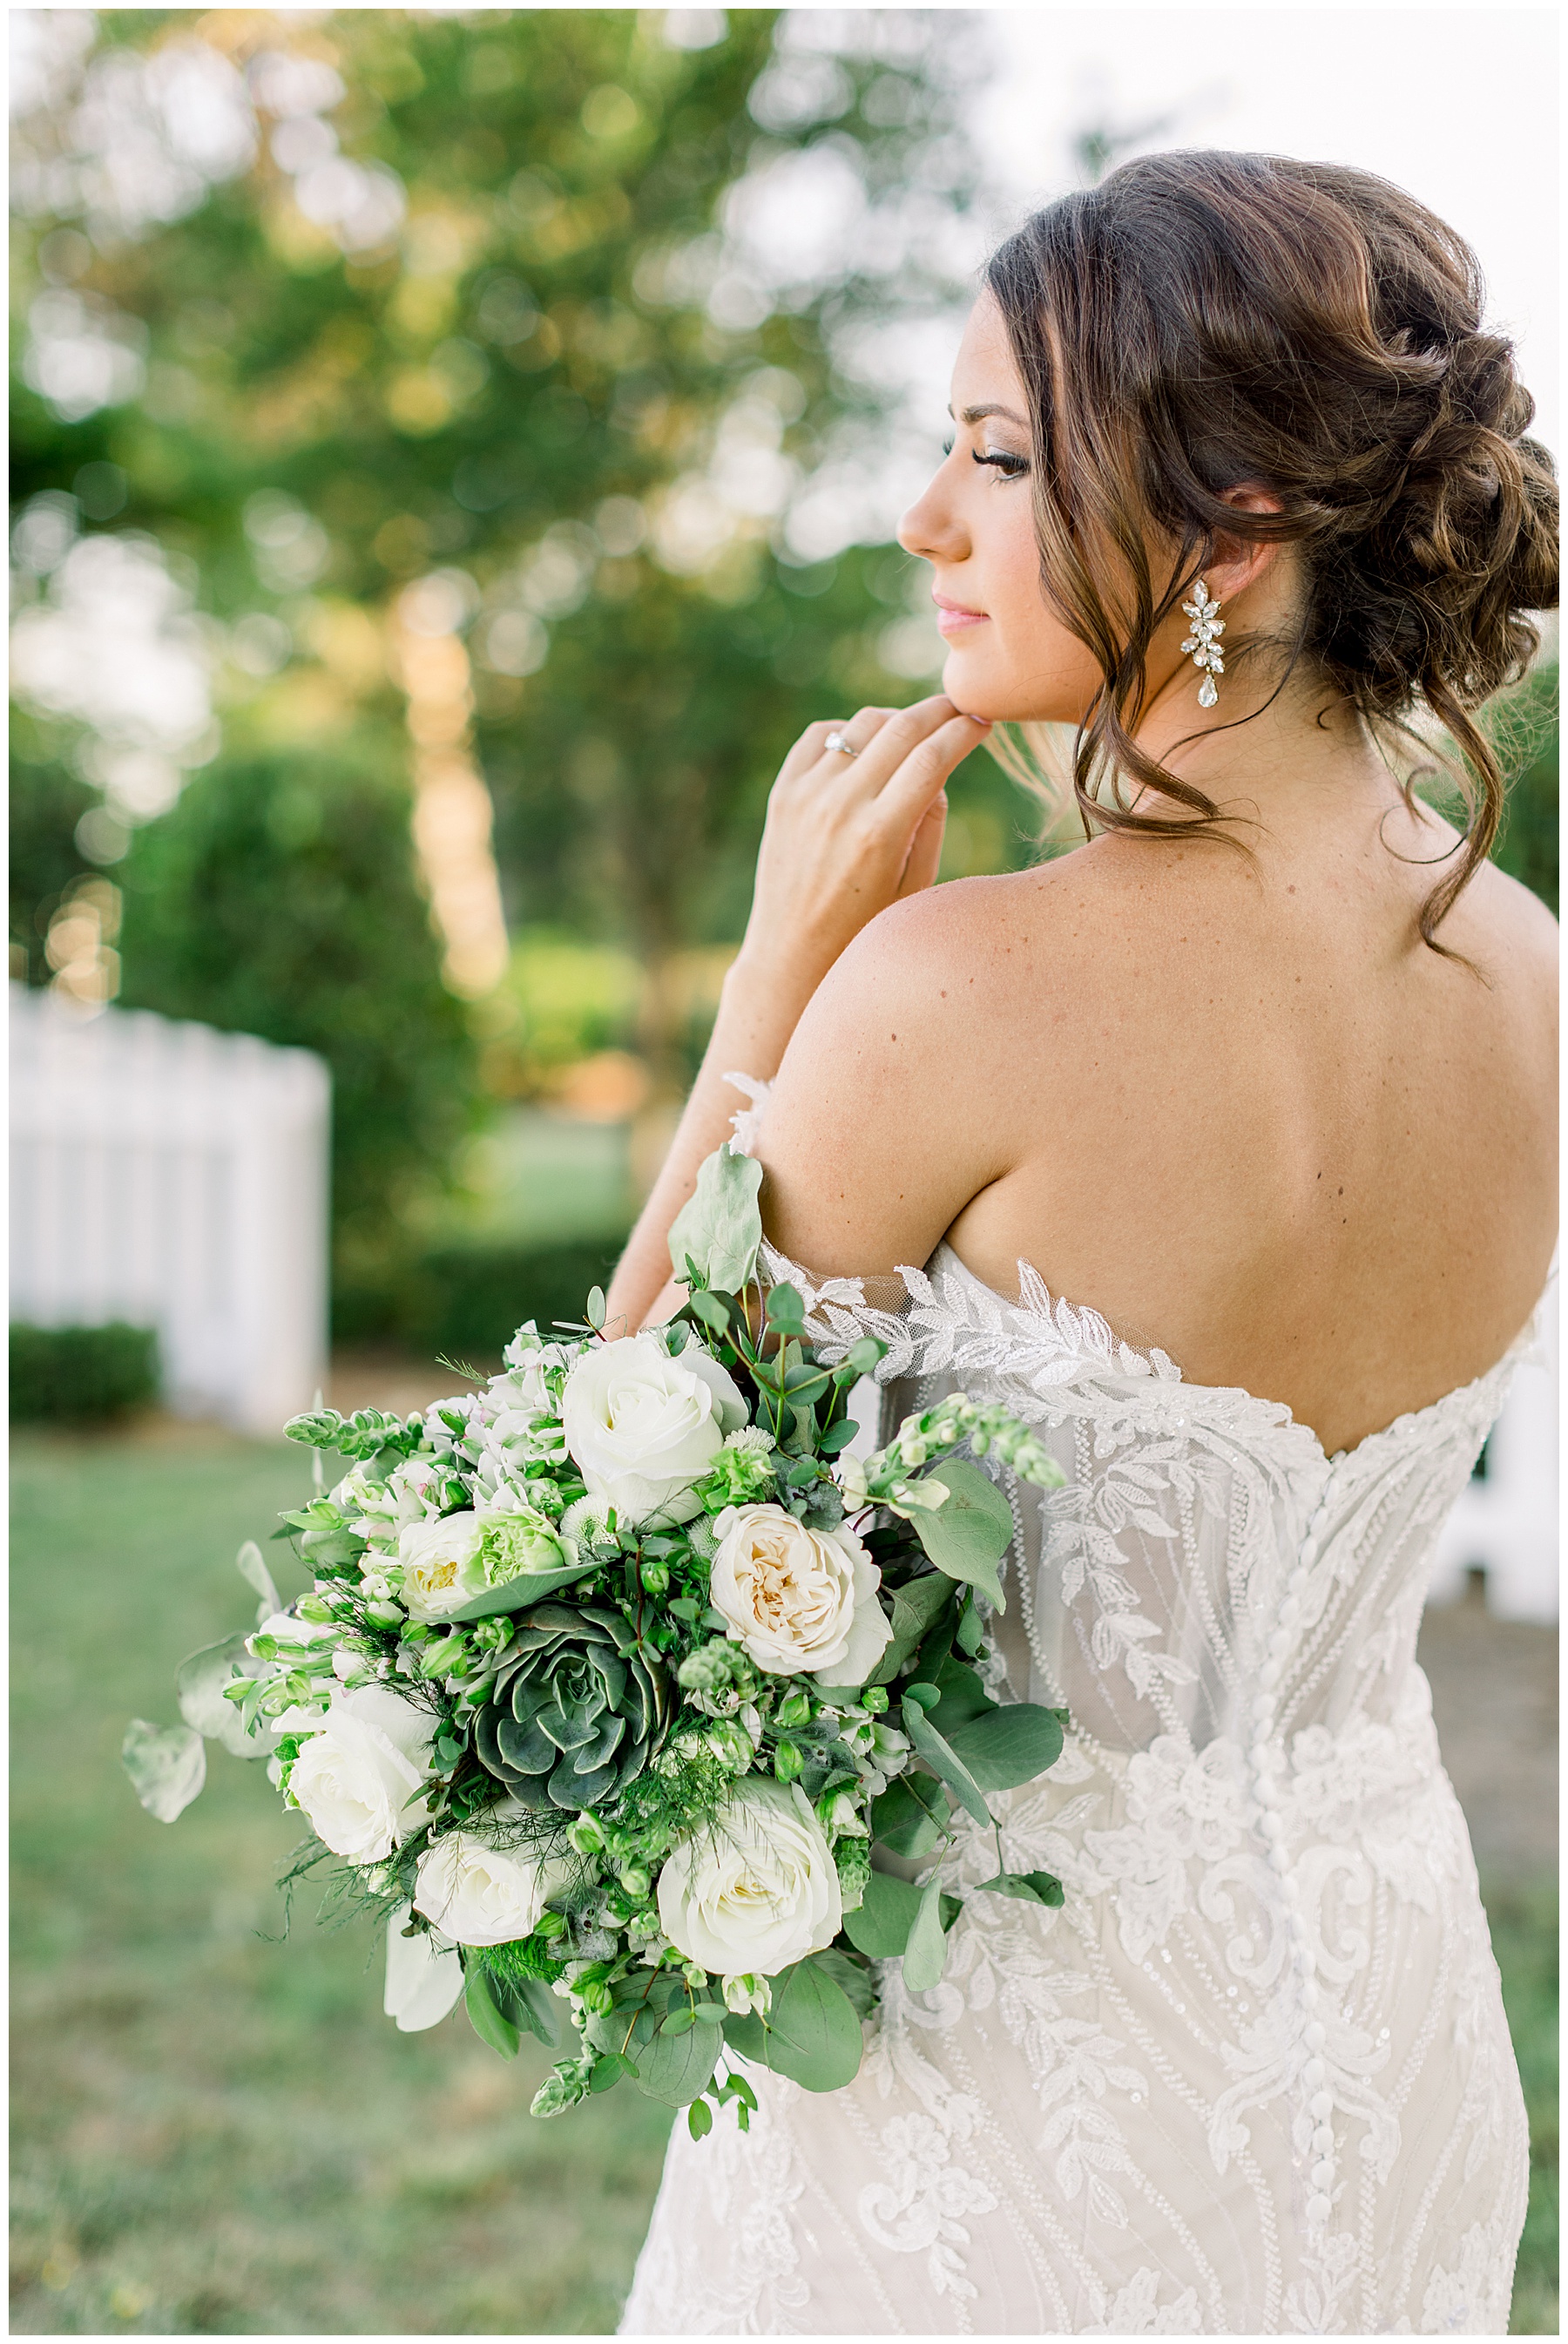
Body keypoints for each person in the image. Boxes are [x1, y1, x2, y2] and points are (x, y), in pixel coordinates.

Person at [612, 151, 1558, 2335]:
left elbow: (616, 1497)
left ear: (1231, 533)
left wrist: (772, 995)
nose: (925, 519)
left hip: (1000, 2093)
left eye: (1000, 455)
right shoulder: (1532, 974)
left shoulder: (952, 988)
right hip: (1391, 2027)